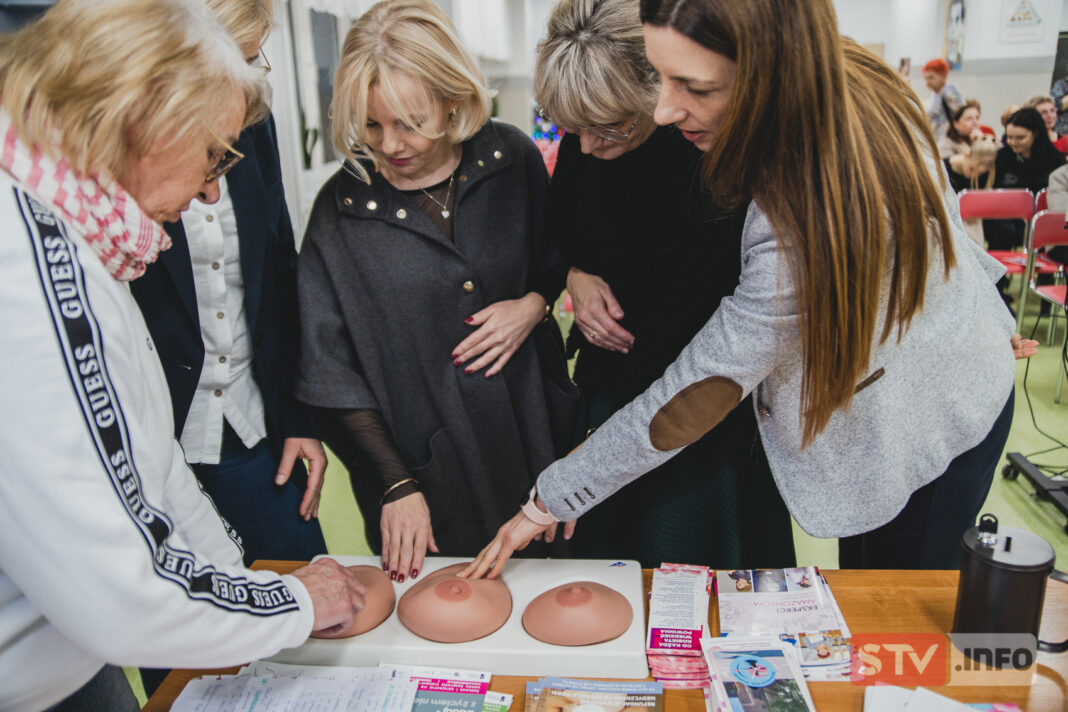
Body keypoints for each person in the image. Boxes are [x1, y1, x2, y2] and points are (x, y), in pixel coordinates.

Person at [463, 0, 1017, 578]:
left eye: (693, 87)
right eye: (662, 77)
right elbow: (940, 218)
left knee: (899, 592)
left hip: (927, 411)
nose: (664, 109)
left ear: (767, 71)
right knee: (866, 576)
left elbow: (706, 380)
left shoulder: (800, 212)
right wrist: (986, 300)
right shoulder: (834, 78)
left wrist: (552, 496)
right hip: (895, 381)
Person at [0, 2, 366, 709]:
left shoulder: (82, 237)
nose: (211, 188)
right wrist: (293, 601)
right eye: (210, 153)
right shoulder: (31, 270)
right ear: (146, 123)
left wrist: (240, 574)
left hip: (65, 652)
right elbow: (123, 594)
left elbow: (150, 462)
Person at [295, 0, 569, 586]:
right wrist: (394, 483)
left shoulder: (511, 159)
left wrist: (533, 305)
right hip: (427, 472)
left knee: (560, 592)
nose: (390, 144)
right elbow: (329, 372)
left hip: (538, 432)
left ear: (453, 100)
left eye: (409, 122)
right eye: (371, 125)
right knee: (448, 608)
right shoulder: (341, 212)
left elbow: (554, 260)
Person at [534, 0, 794, 569]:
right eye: (573, 129)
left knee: (694, 564)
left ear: (656, 86)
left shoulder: (712, 149)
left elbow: (739, 325)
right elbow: (556, 234)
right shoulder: (589, 135)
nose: (588, 147)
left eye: (609, 127)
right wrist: (575, 278)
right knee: (607, 566)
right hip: (609, 385)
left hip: (701, 397)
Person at [131, 0, 327, 569]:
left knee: (306, 581)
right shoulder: (122, 152)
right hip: (159, 428)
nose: (248, 82)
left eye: (253, 61)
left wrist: (296, 417)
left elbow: (279, 269)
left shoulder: (252, 126)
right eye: (235, 63)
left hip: (249, 421)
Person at [986, 107, 1066, 250]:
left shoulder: (1055, 160)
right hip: (1007, 224)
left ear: (1036, 133)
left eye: (1020, 138)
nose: (1013, 142)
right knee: (1001, 227)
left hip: (1041, 223)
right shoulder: (1002, 157)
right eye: (1009, 137)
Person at [943, 135, 997, 246]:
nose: (974, 175)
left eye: (980, 173)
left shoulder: (986, 175)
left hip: (972, 221)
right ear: (966, 156)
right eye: (972, 169)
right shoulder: (944, 168)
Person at [922, 57, 963, 143]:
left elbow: (961, 114)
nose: (928, 82)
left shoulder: (948, 92)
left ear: (943, 76)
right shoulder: (935, 94)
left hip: (948, 141)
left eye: (931, 78)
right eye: (925, 78)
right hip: (936, 140)